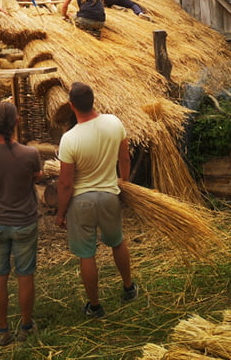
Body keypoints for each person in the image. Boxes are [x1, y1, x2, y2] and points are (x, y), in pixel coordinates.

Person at [55, 82, 138, 319]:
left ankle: (95, 306)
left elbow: (66, 183)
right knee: (117, 242)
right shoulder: (114, 123)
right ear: (94, 100)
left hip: (82, 203)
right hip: (110, 197)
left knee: (87, 254)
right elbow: (124, 158)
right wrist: (123, 183)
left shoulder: (69, 139)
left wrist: (60, 214)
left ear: (71, 106)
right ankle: (129, 288)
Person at [0, 102, 43, 345]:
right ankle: (25, 327)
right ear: (17, 123)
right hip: (24, 222)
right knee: (25, 275)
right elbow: (36, 177)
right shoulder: (31, 154)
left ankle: (3, 330)